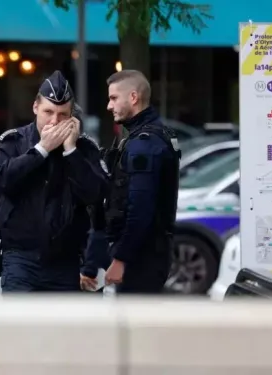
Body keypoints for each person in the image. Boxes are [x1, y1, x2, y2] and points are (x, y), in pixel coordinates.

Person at [0, 70, 108, 292]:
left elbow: (95, 194)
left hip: (65, 262)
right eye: (48, 112)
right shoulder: (14, 142)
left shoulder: (84, 148)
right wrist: (41, 150)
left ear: (72, 115)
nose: (54, 121)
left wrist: (71, 151)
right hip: (20, 259)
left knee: (60, 327)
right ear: (35, 108)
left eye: (63, 114)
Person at [102, 69, 181, 294]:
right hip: (148, 253)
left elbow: (140, 209)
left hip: (142, 258)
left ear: (134, 98)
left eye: (114, 98)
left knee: (135, 326)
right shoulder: (152, 136)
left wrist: (121, 259)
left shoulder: (144, 145)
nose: (109, 106)